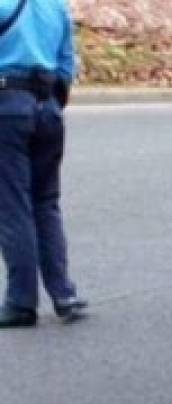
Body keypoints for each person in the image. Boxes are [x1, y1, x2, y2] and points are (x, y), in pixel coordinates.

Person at [0, 0, 85, 329]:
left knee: (13, 205)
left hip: (7, 105)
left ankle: (21, 302)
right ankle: (64, 293)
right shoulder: (56, 6)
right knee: (46, 202)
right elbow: (66, 66)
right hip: (47, 106)